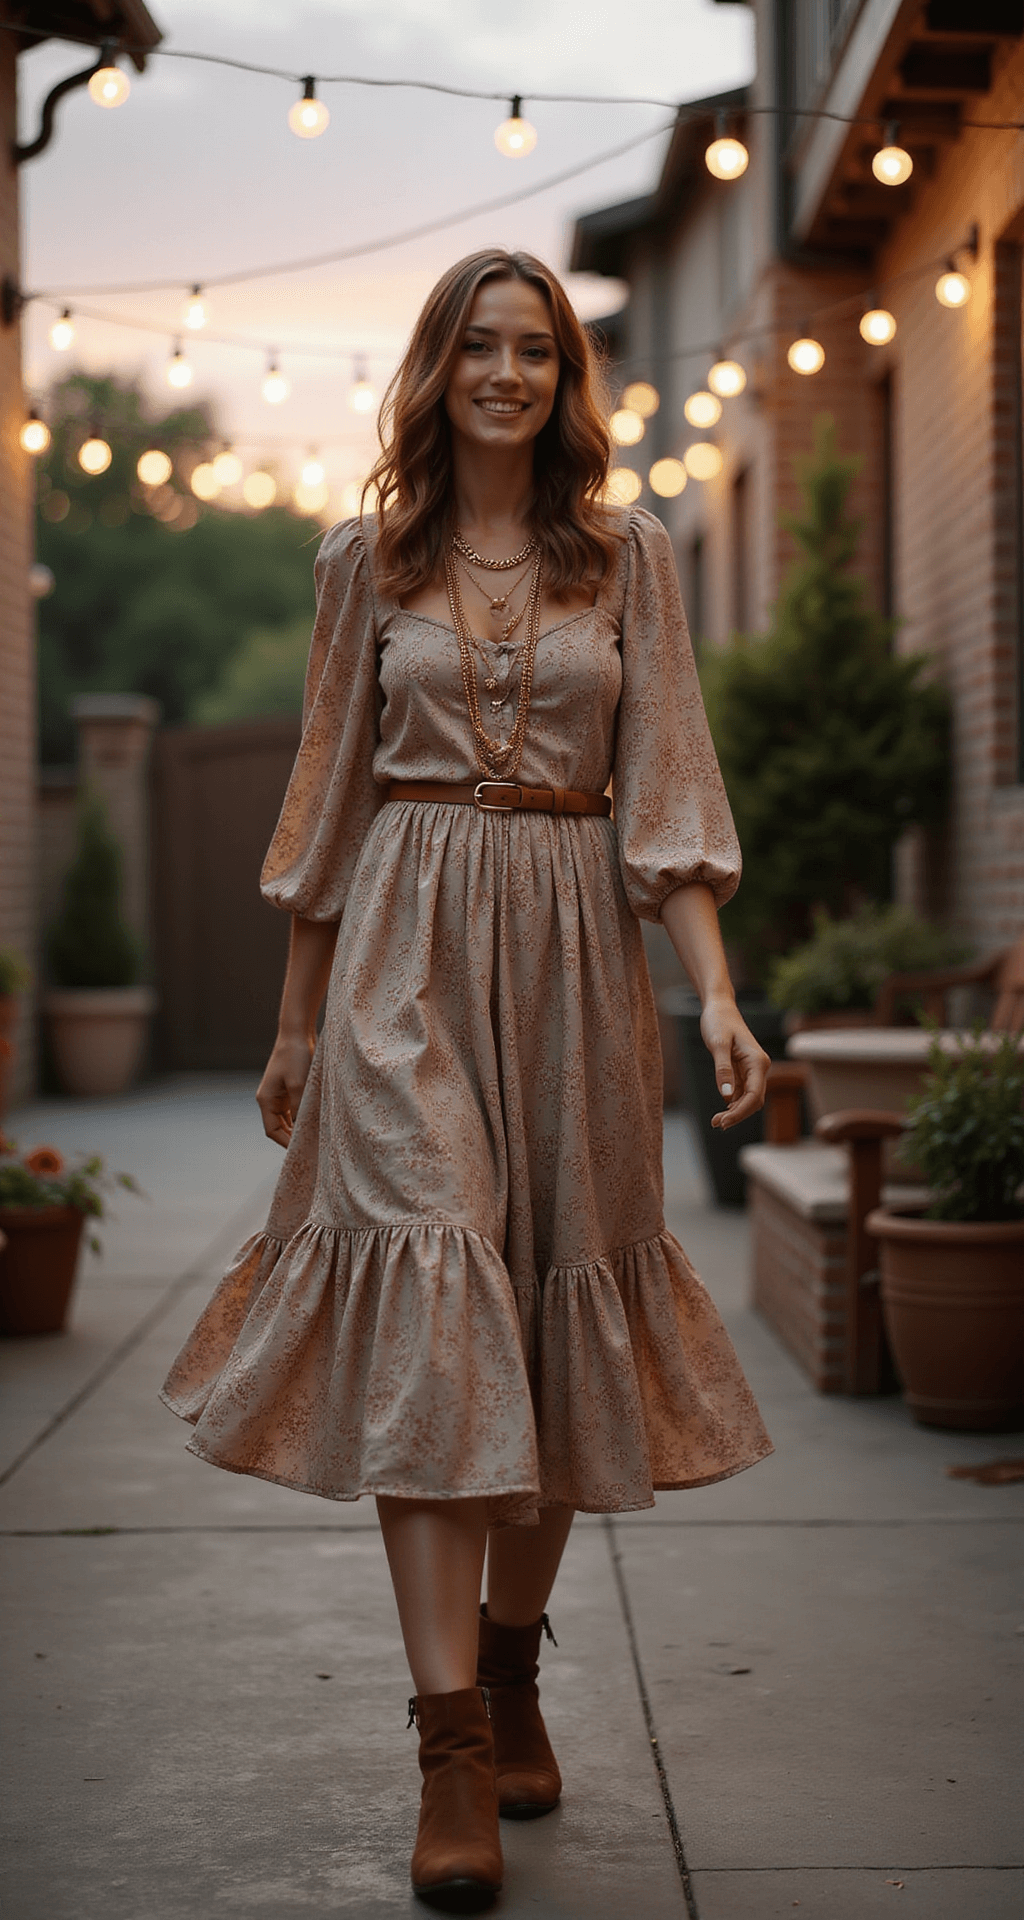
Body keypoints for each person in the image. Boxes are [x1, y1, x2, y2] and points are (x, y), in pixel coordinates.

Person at [161, 247, 773, 1915]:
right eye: (478, 348)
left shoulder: (628, 558)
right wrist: (297, 1026)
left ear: (564, 379)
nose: (506, 373)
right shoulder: (364, 563)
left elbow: (670, 794)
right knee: (438, 1321)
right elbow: (328, 804)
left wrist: (716, 999)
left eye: (535, 350)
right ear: (435, 371)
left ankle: (510, 1673)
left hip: (578, 959)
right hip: (399, 971)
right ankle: (447, 1746)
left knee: (551, 1320)